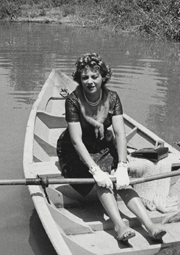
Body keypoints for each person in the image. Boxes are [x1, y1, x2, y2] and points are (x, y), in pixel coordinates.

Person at [57, 53, 165, 242]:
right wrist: (94, 169)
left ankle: (150, 225)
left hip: (102, 142)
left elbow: (120, 133)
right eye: (84, 77)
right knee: (104, 179)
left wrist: (123, 165)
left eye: (94, 76)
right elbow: (76, 141)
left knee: (121, 180)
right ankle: (119, 224)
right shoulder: (73, 100)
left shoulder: (113, 98)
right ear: (79, 79)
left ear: (103, 77)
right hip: (74, 149)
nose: (90, 82)